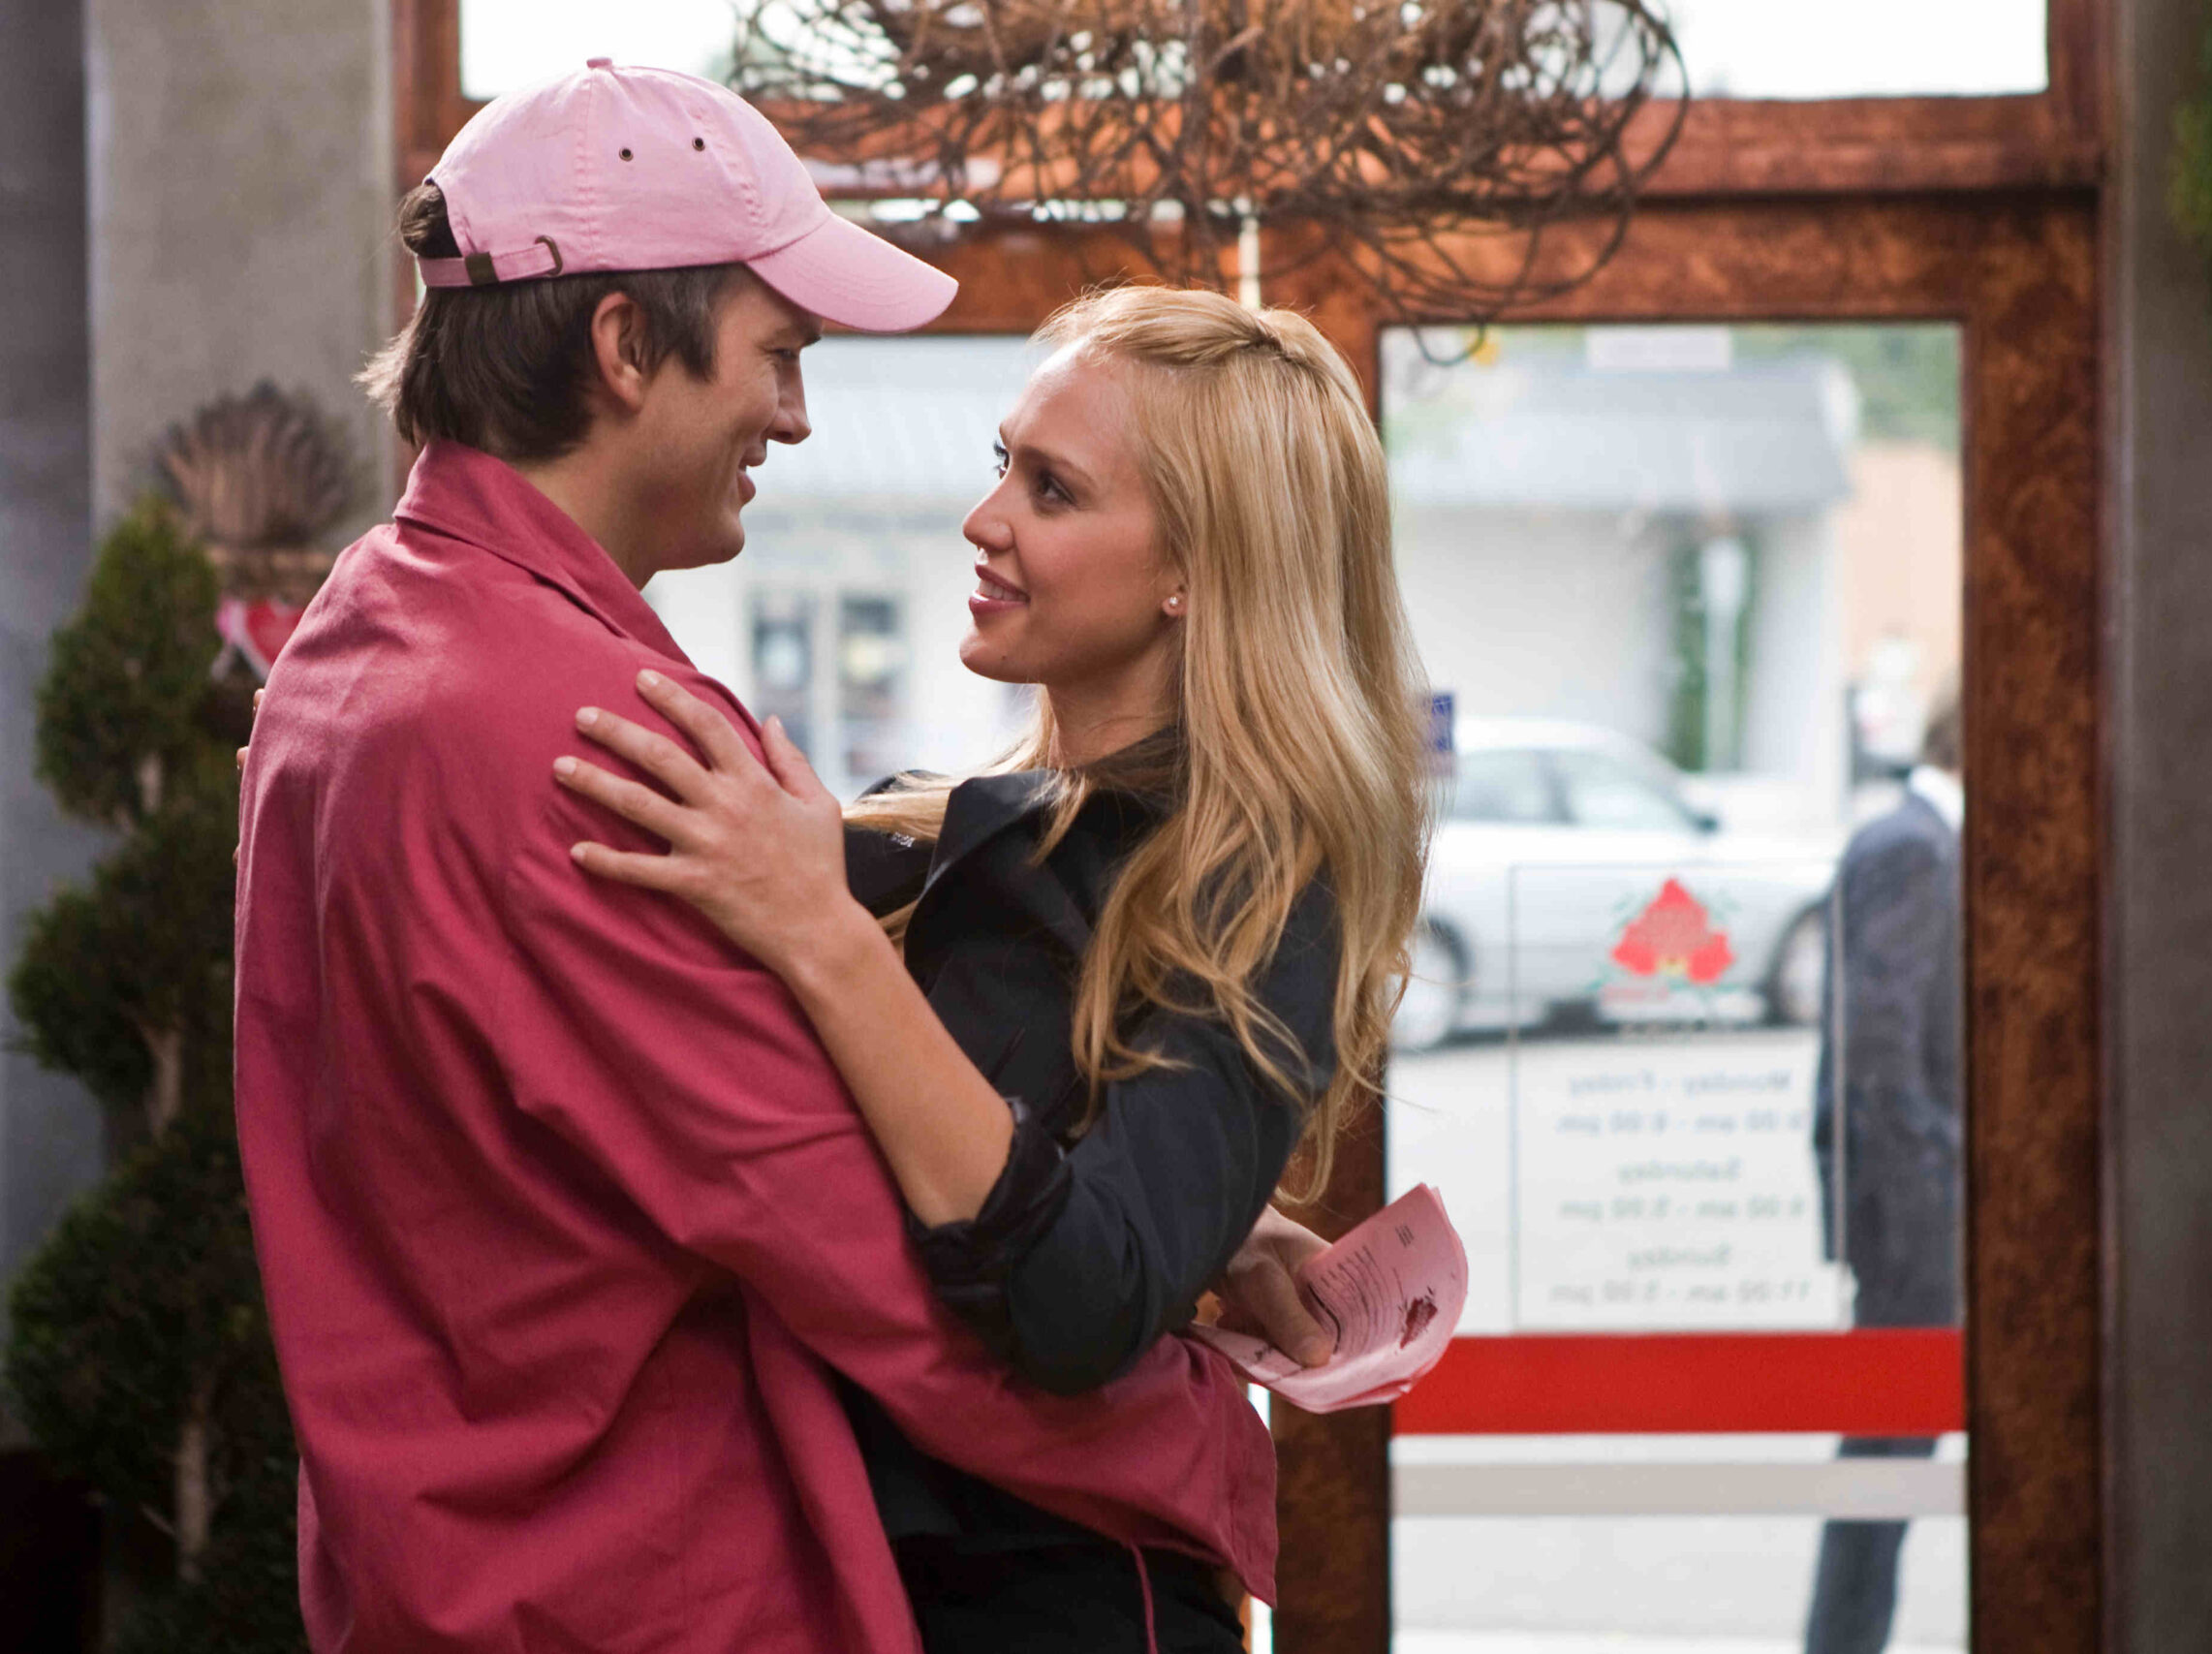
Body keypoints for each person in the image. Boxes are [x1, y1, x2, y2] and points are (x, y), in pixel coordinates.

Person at [234, 62, 1325, 1654]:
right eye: (779, 352)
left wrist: (1179, 1220)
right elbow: (847, 1242)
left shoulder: (364, 631)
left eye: (1052, 484)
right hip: (638, 1582)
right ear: (621, 348)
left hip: (444, 1562)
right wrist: (1191, 1440)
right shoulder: (587, 728)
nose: (799, 415)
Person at [549, 283, 1435, 1653]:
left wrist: (829, 940)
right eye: (1001, 466)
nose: (985, 520)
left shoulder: (1257, 885)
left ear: (1195, 569)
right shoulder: (925, 829)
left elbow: (1076, 1300)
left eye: (1054, 488)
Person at [1803, 693, 1965, 1654]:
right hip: (1909, 1215)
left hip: (1905, 1206)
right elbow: (1880, 1047)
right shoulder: (1918, 850)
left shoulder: (1914, 840)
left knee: (1889, 1454)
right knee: (1887, 1455)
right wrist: (1936, 1200)